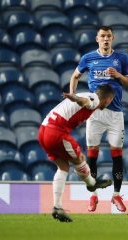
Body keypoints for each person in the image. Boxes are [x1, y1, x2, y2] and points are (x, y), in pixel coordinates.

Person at [69, 26, 128, 212]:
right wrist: (73, 97)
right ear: (97, 39)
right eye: (102, 36)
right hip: (94, 113)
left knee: (117, 156)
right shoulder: (88, 58)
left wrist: (118, 75)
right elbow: (75, 76)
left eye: (108, 36)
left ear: (113, 38)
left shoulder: (121, 58)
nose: (106, 39)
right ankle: (93, 195)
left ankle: (116, 196)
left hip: (115, 114)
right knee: (92, 155)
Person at [38, 85, 115, 222]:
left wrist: (77, 98)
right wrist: (76, 98)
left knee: (63, 167)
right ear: (108, 99)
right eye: (110, 101)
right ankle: (92, 183)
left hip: (43, 130)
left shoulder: (89, 95)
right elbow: (86, 102)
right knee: (79, 158)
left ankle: (57, 207)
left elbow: (83, 102)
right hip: (56, 131)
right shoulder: (95, 99)